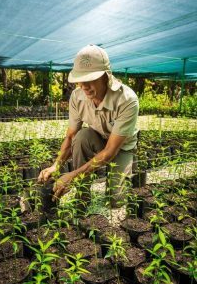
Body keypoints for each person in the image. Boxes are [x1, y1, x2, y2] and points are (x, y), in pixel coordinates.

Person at [38, 44, 139, 208]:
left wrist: (72, 176)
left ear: (106, 76)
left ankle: (124, 172)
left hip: (121, 147)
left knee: (116, 200)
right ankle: (82, 198)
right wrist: (56, 166)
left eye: (90, 79)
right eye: (80, 80)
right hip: (97, 138)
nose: (83, 86)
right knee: (81, 136)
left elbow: (109, 152)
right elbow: (70, 136)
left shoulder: (126, 100)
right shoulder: (77, 97)